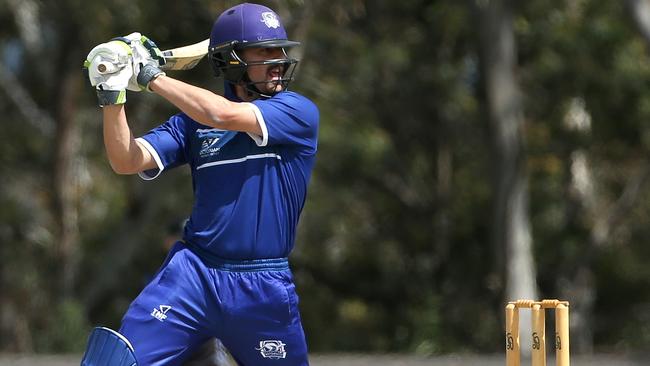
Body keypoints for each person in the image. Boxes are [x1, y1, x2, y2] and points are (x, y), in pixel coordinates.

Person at [80, 3, 318, 365]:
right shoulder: (191, 123)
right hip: (194, 274)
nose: (278, 60)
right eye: (264, 51)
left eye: (280, 50)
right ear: (232, 60)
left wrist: (150, 76)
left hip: (262, 282)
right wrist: (112, 94)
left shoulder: (296, 112)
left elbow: (221, 114)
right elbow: (126, 160)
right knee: (114, 360)